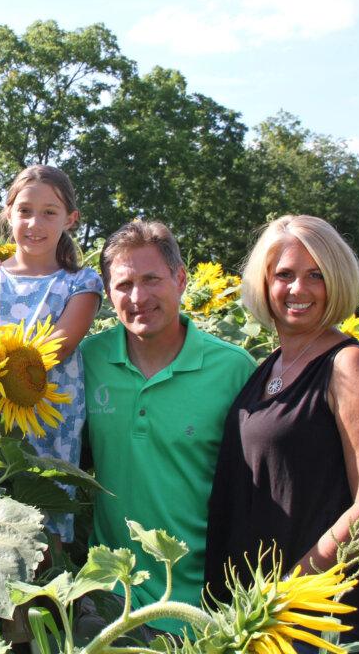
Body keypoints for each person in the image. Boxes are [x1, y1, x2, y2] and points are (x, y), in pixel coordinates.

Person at [204, 215, 359, 651]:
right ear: (264, 283)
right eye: (284, 275)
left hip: (315, 619)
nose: (299, 289)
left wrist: (290, 592)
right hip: (256, 615)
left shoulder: (350, 365)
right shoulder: (269, 365)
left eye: (316, 275)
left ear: (338, 281)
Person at [79, 220, 256, 637]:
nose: (138, 297)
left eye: (152, 279)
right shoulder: (88, 360)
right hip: (109, 599)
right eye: (123, 285)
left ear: (180, 279)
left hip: (202, 609)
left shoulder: (232, 369)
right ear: (108, 294)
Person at [0, 164, 103, 544]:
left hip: (48, 417)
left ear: (70, 219)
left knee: (45, 515)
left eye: (49, 212)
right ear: (8, 213)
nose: (34, 223)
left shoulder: (80, 282)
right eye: (24, 211)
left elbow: (59, 345)